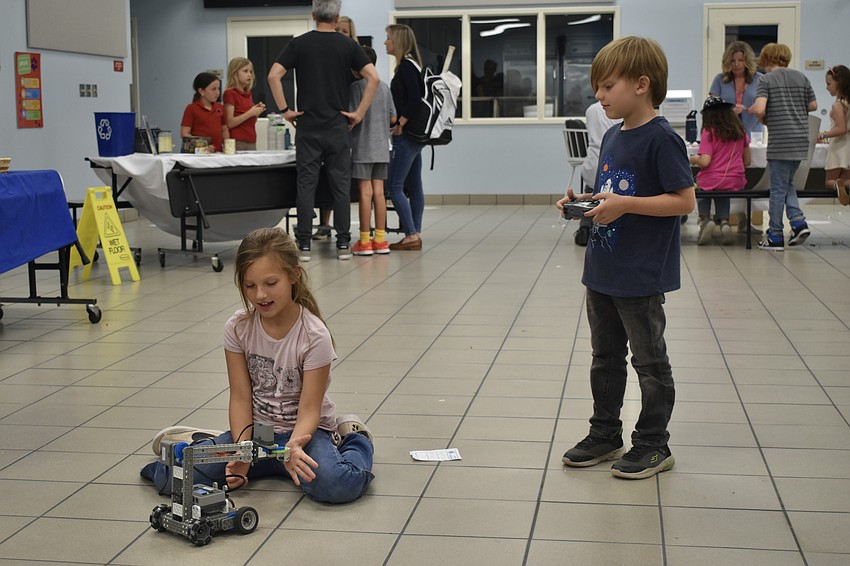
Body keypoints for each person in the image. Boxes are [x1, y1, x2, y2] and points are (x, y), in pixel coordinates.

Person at [140, 227, 375, 504]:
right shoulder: (238, 328)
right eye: (250, 286)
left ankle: (354, 439)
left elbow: (310, 409)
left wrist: (292, 449)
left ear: (293, 276)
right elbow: (240, 396)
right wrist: (240, 451)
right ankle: (198, 443)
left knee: (337, 485)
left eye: (270, 283)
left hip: (305, 435)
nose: (260, 295)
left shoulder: (314, 336)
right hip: (254, 436)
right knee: (175, 479)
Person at [556, 36, 695, 480]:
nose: (599, 96)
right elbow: (613, 192)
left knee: (649, 362)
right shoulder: (614, 135)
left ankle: (654, 444)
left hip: (640, 273)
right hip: (602, 268)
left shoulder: (662, 139)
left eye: (607, 86)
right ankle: (605, 433)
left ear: (641, 84)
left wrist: (625, 205)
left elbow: (683, 202)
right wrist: (583, 201)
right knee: (605, 357)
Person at [268, 0, 379, 262]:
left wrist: (285, 110)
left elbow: (273, 75)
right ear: (337, 16)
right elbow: (373, 78)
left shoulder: (299, 43)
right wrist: (359, 113)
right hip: (338, 126)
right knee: (340, 186)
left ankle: (304, 245)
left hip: (307, 126)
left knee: (306, 185)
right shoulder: (348, 44)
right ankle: (342, 245)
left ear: (313, 14)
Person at [750, 43, 817, 251]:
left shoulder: (766, 80)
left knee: (777, 190)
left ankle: (775, 235)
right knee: (787, 183)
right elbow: (813, 106)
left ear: (766, 59)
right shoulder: (801, 77)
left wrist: (753, 110)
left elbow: (760, 107)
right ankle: (798, 223)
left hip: (781, 141)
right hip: (800, 140)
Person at [313, 14, 361, 242]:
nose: (340, 34)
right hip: (324, 120)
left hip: (347, 121)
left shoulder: (354, 55)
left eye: (345, 31)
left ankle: (343, 232)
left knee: (340, 180)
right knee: (322, 176)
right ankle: (324, 223)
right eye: (338, 29)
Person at [709, 41, 763, 233]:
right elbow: (712, 106)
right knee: (725, 174)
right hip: (725, 137)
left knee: (746, 174)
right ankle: (721, 219)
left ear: (747, 60)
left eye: (740, 60)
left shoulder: (760, 80)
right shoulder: (719, 80)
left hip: (751, 134)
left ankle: (744, 220)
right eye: (732, 60)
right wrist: (729, 109)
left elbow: (765, 106)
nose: (736, 64)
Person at [350, 46, 396, 256]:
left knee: (364, 193)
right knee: (379, 193)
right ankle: (381, 240)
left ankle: (365, 241)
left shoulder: (356, 87)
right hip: (382, 148)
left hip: (362, 147)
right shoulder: (384, 87)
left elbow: (350, 116)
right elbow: (393, 118)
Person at [690, 96, 752, 245]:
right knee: (724, 188)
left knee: (702, 183)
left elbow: (705, 161)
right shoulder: (740, 131)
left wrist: (693, 159)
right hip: (735, 179)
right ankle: (725, 222)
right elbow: (747, 161)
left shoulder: (708, 132)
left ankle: (706, 221)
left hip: (711, 179)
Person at [385, 23, 425, 251]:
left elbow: (414, 99)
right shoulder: (412, 65)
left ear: (398, 41)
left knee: (394, 186)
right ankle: (415, 232)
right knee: (414, 185)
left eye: (388, 38)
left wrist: (400, 124)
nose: (385, 42)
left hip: (407, 135)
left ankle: (410, 234)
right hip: (416, 137)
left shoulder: (406, 67)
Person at [574, 101, 621, 246]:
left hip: (591, 165)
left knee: (593, 191)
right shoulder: (619, 112)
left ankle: (585, 227)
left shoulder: (590, 110)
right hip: (611, 166)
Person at [821, 65, 850, 205]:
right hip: (848, 147)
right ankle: (843, 186)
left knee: (829, 181)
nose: (827, 88)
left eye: (828, 84)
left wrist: (823, 135)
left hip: (839, 147)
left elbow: (841, 129)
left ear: (839, 83)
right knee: (846, 180)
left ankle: (836, 185)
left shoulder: (837, 105)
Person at [223, 57, 266, 151]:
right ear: (235, 73)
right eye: (245, 71)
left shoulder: (248, 94)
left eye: (251, 72)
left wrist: (256, 113)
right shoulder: (230, 93)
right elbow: (229, 123)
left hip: (251, 139)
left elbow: (249, 122)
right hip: (237, 141)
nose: (249, 75)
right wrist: (250, 113)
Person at [181, 72, 229, 153]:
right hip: (198, 154)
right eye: (213, 89)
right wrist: (202, 146)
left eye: (218, 88)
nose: (217, 92)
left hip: (218, 153)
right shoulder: (191, 108)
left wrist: (227, 147)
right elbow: (184, 133)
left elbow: (224, 129)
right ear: (201, 91)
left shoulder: (220, 107)